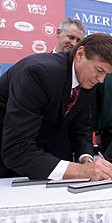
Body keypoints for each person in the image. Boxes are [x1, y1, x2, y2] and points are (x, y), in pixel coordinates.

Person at [0, 33, 112, 191]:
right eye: (99, 70)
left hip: (13, 164)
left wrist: (86, 159)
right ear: (80, 54)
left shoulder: (87, 81)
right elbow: (17, 150)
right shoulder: (39, 72)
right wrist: (80, 171)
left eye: (106, 74)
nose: (101, 79)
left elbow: (80, 127)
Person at [47, 17, 86, 161]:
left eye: (78, 41)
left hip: (63, 154)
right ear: (58, 33)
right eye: (70, 37)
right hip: (31, 151)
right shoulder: (36, 67)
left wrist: (84, 154)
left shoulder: (84, 77)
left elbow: (81, 124)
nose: (73, 43)